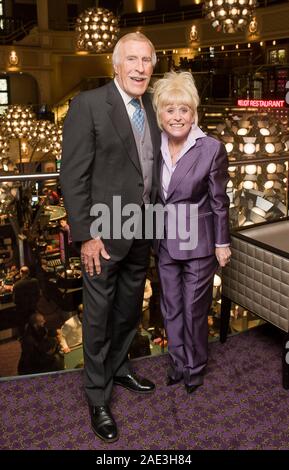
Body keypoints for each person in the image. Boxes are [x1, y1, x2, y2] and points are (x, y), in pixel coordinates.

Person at [60, 32, 160, 443]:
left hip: (142, 230)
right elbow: (73, 174)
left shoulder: (152, 106)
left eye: (147, 61)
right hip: (103, 233)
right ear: (115, 65)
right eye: (132, 60)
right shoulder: (88, 105)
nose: (139, 68)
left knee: (129, 310)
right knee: (99, 319)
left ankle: (119, 368)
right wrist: (85, 235)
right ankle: (97, 397)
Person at [152, 71, 231, 394]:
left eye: (183, 110)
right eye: (170, 110)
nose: (177, 117)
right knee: (170, 307)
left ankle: (195, 367)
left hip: (199, 243)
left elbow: (219, 200)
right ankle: (177, 362)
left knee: (194, 310)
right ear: (160, 114)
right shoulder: (153, 147)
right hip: (165, 242)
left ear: (194, 113)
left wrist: (222, 242)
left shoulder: (211, 148)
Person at [13, 266, 40, 337]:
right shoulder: (35, 281)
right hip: (33, 306)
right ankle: (35, 335)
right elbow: (38, 294)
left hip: (22, 309)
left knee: (22, 324)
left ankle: (23, 336)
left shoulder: (17, 285)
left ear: (21, 273)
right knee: (33, 322)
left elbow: (15, 300)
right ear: (29, 273)